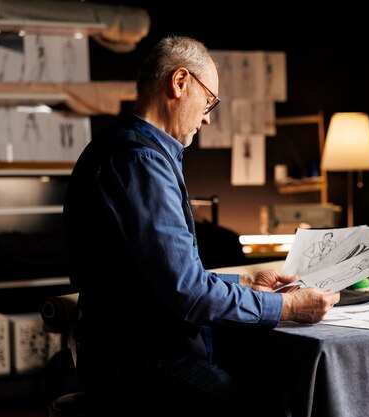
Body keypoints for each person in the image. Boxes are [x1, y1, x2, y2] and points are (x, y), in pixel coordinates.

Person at [63, 35, 339, 416]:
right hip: (136, 365)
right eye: (209, 100)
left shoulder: (121, 146)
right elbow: (189, 294)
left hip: (124, 354)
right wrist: (286, 306)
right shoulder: (141, 161)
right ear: (180, 82)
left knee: (276, 382)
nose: (208, 116)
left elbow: (160, 279)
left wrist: (244, 283)